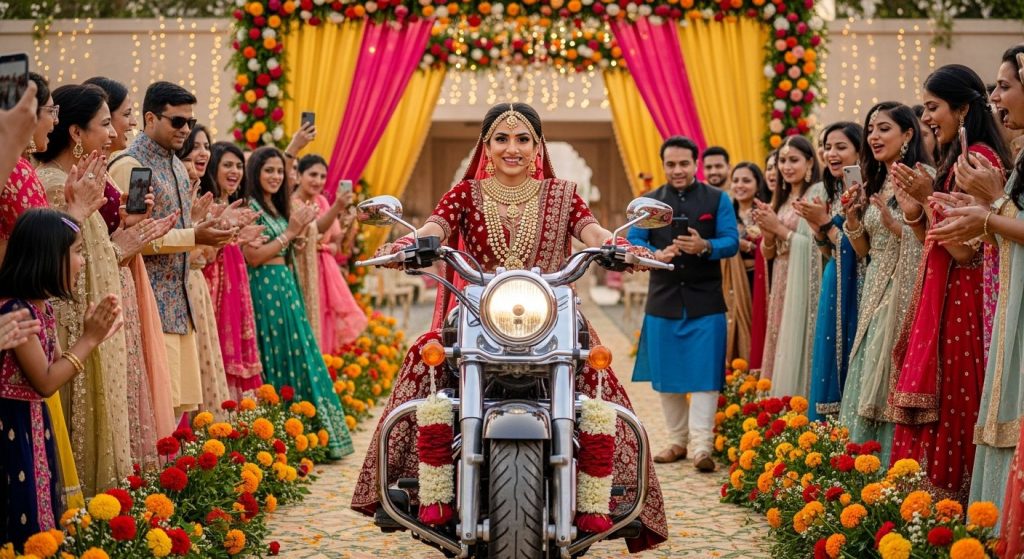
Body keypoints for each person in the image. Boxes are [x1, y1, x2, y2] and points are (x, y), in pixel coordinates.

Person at [351, 103, 668, 552]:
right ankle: (414, 489)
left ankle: (610, 497)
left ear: (538, 147)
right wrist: (409, 243)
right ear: (486, 146)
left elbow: (592, 231)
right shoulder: (465, 192)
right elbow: (434, 227)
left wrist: (622, 248)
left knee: (598, 383)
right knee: (427, 370)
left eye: (523, 139)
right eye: (502, 139)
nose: (512, 149)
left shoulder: (562, 192)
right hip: (479, 311)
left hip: (550, 315)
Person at [889, 64, 1012, 503]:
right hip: (949, 296)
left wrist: (926, 198)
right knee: (947, 404)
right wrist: (915, 210)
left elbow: (968, 252)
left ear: (962, 109)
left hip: (967, 299)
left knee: (957, 403)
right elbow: (937, 245)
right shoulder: (957, 157)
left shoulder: (977, 160)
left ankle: (952, 509)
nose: (925, 118)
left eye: (932, 107)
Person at [34, 83, 154, 496]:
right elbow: (51, 258)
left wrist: (124, 232)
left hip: (95, 320)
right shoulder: (51, 184)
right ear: (75, 133)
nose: (112, 134)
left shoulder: (79, 180)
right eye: (104, 124)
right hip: (72, 321)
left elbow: (94, 251)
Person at [924, 46, 1024, 518]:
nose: (995, 97)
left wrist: (990, 206)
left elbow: (969, 248)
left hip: (979, 294)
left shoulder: (979, 158)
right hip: (993, 294)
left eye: (1004, 86)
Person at [108, 81, 234, 418]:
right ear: (150, 118)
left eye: (190, 122)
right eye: (177, 121)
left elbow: (178, 228)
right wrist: (194, 235)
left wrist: (199, 230)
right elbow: (132, 239)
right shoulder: (132, 166)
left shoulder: (177, 166)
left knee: (177, 408)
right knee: (153, 409)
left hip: (179, 305)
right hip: (148, 304)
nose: (186, 130)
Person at [0, 208, 122, 548]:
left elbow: (56, 365)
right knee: (21, 516)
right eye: (77, 251)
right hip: (13, 428)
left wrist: (93, 335)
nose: (82, 261)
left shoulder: (41, 307)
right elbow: (46, 380)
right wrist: (89, 340)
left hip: (35, 423)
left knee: (40, 509)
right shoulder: (16, 311)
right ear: (49, 256)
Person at [630, 136, 739, 473]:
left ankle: (702, 446)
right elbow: (634, 239)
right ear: (664, 165)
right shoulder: (650, 202)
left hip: (705, 301)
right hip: (663, 299)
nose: (677, 170)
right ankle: (677, 441)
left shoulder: (717, 199)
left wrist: (704, 245)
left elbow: (731, 241)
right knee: (667, 375)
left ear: (696, 165)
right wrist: (654, 255)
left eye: (683, 164)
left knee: (706, 376)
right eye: (671, 164)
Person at [243, 146, 354, 459]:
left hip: (285, 287)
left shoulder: (276, 207)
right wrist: (290, 234)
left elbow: (300, 238)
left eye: (280, 171)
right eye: (269, 170)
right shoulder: (251, 206)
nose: (276, 177)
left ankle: (309, 433)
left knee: (301, 354)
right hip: (264, 287)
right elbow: (252, 257)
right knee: (276, 354)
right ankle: (282, 434)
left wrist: (297, 233)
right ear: (256, 173)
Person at [87, 76, 177, 440]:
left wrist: (130, 224)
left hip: (122, 273)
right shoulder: (122, 164)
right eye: (116, 117)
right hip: (107, 281)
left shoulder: (107, 169)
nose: (126, 126)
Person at [838, 103, 928, 464]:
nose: (874, 136)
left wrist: (897, 225)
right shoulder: (877, 181)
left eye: (884, 128)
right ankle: (858, 472)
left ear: (908, 134)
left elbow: (931, 243)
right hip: (874, 291)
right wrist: (854, 218)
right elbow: (865, 251)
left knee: (888, 375)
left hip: (903, 294)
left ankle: (889, 470)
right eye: (871, 129)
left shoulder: (921, 177)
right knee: (864, 372)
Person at [799, 121, 863, 420]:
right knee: (829, 355)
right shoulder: (836, 189)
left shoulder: (862, 189)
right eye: (827, 146)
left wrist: (826, 225)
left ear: (859, 151)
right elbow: (831, 252)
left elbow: (863, 249)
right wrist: (819, 230)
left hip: (859, 284)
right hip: (835, 279)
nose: (831, 153)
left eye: (841, 147)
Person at [753, 136, 821, 393]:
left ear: (810, 162)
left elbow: (814, 246)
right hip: (781, 276)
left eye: (794, 160)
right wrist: (768, 234)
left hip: (802, 278)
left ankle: (793, 403)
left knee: (794, 342)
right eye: (782, 160)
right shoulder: (780, 199)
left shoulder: (815, 194)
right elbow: (769, 253)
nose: (786, 166)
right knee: (778, 337)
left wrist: (777, 228)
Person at [199, 142, 265, 399]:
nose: (235, 171)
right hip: (214, 283)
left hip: (234, 282)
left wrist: (241, 238)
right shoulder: (209, 204)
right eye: (227, 164)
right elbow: (204, 252)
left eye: (239, 166)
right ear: (213, 168)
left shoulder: (236, 204)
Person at [178, 123, 234, 413]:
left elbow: (207, 254)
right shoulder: (179, 192)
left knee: (204, 358)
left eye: (206, 147)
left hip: (196, 284)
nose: (201, 155)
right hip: (183, 283)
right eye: (193, 151)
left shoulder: (199, 192)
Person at [293, 154, 368, 354]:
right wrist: (338, 207)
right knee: (310, 314)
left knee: (327, 316)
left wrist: (344, 228)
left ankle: (325, 366)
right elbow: (313, 229)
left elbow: (334, 239)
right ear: (298, 175)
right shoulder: (294, 203)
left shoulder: (321, 201)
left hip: (326, 269)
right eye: (312, 174)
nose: (318, 181)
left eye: (322, 176)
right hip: (305, 266)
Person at [732, 163, 771, 371]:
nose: (740, 185)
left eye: (746, 180)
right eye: (736, 180)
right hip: (732, 283)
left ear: (758, 185)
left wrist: (746, 245)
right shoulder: (726, 214)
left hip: (758, 280)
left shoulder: (764, 212)